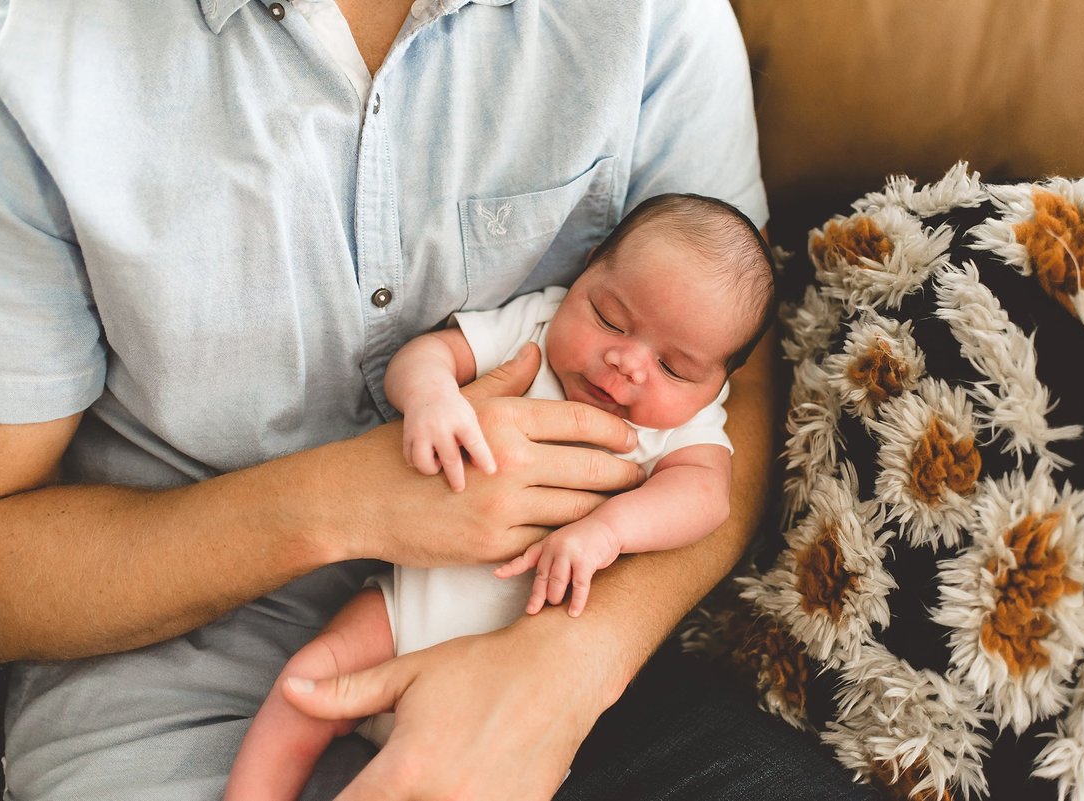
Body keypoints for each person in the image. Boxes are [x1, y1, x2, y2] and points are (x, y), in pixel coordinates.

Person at [0, 1, 878, 800]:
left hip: (571, 642)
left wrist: (560, 674)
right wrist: (337, 507)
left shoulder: (649, 19)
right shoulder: (15, 53)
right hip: (181, 710)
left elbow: (734, 383)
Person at [224, 193, 776, 800]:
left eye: (674, 368)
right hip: (405, 613)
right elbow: (426, 354)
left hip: (517, 681)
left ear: (717, 383)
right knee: (308, 684)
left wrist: (610, 530)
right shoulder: (535, 327)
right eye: (610, 320)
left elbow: (706, 497)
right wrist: (433, 396)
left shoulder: (683, 427)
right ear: (584, 272)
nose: (626, 363)